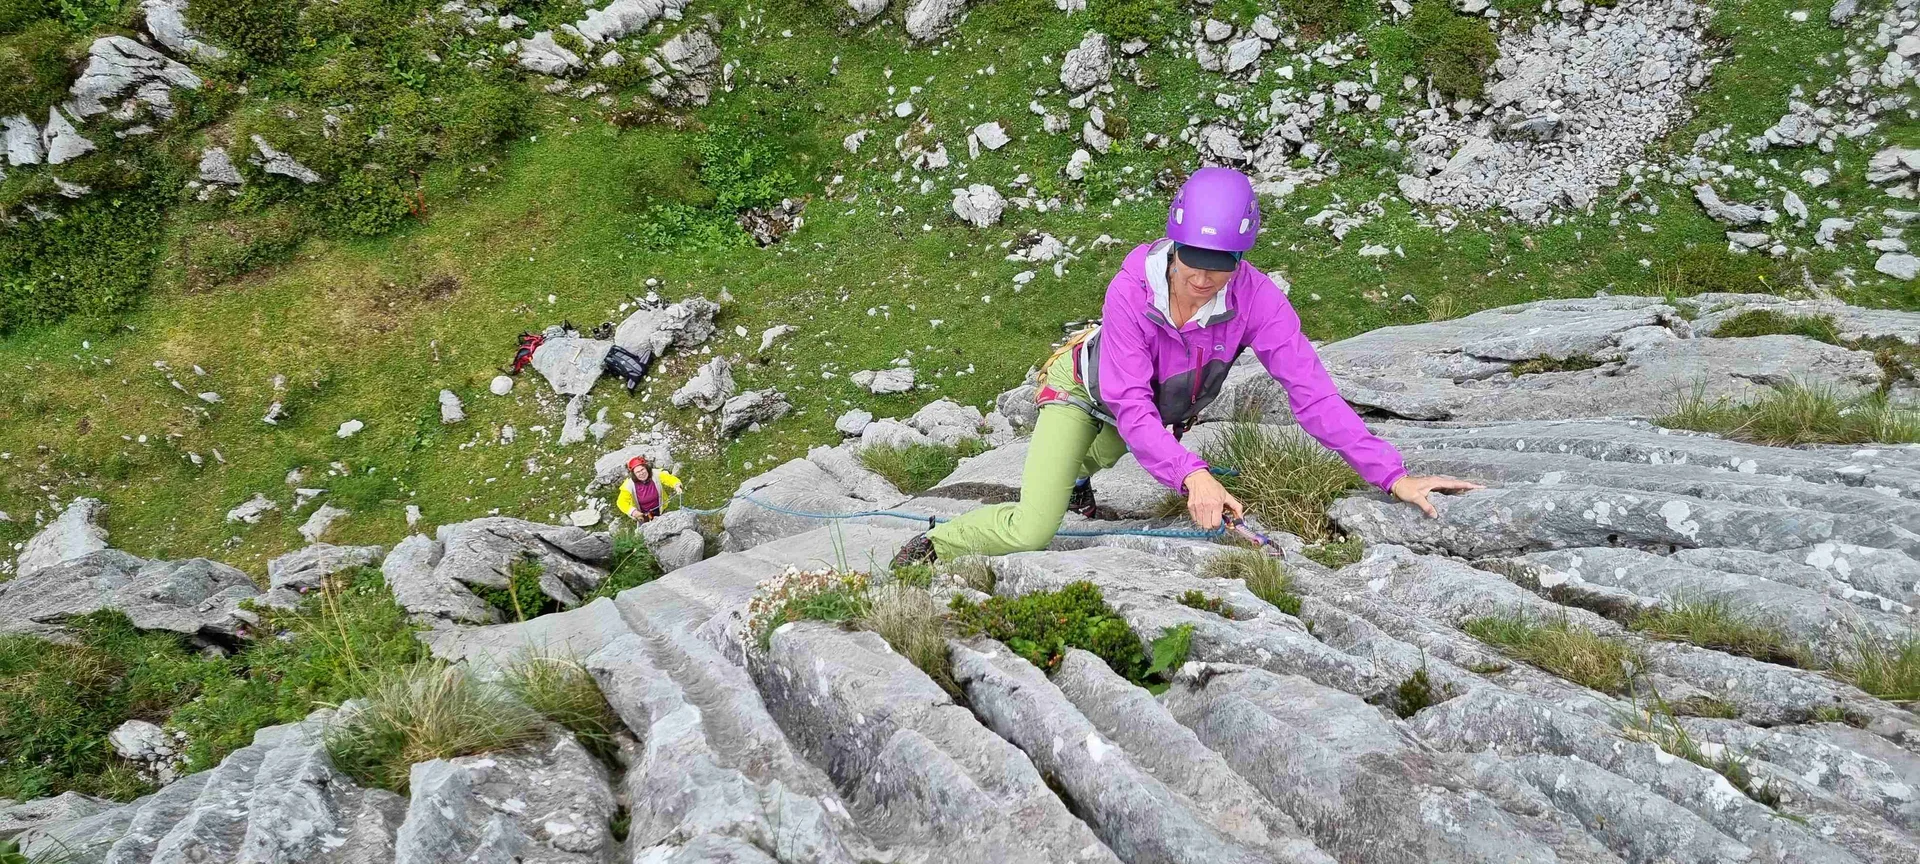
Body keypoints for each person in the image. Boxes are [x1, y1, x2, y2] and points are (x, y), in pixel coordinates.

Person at [893, 166, 1479, 567]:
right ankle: (935, 546)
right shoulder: (1130, 291)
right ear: (1173, 245)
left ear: (1241, 256)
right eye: (1191, 260)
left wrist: (1392, 474)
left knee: (1103, 454)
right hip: (1086, 394)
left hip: (1143, 414)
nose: (1201, 278)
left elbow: (1314, 396)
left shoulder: (1258, 302)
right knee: (1033, 528)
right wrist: (1193, 475)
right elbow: (1129, 404)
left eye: (1219, 263)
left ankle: (1076, 476)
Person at [617, 456, 682, 523]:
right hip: (643, 515)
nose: (641, 473)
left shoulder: (656, 474)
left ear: (646, 469)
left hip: (661, 509)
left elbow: (669, 479)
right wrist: (633, 512)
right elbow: (621, 502)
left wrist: (676, 485)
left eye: (642, 469)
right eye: (638, 472)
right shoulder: (629, 485)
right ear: (634, 475)